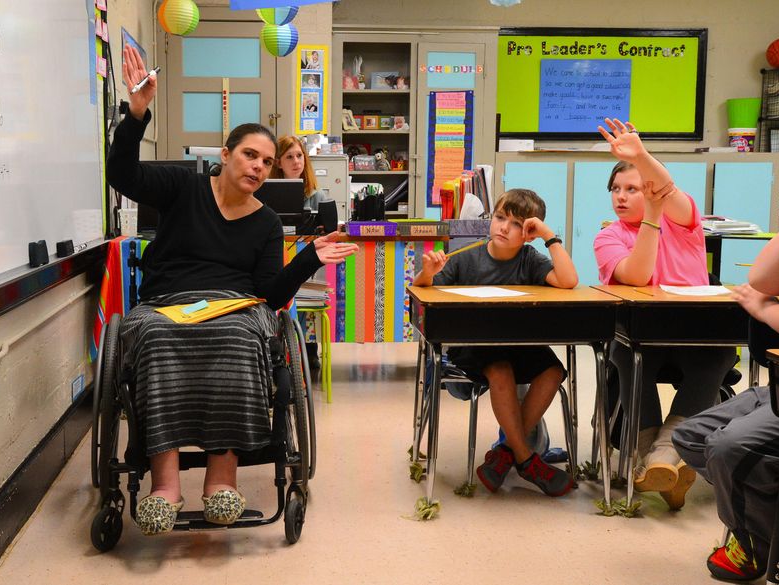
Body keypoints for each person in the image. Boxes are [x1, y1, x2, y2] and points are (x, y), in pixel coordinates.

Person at [108, 45, 358, 535]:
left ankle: (221, 482)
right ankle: (165, 486)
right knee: (155, 337)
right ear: (224, 155)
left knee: (243, 338)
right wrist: (137, 113)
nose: (260, 167)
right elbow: (122, 174)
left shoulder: (266, 222)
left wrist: (307, 258)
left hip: (237, 310)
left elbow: (271, 295)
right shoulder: (182, 189)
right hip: (167, 306)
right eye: (250, 155)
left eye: (267, 161)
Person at [593, 117, 737, 510]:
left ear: (652, 189)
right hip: (643, 334)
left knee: (718, 356)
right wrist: (649, 218)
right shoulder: (608, 236)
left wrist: (640, 155)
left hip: (696, 334)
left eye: (633, 189)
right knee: (629, 356)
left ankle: (657, 459)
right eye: (616, 189)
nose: (621, 197)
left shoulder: (684, 220)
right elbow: (637, 274)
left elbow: (668, 188)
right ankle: (663, 463)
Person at [414, 188, 579, 497]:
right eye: (501, 218)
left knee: (553, 371)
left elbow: (569, 280)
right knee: (500, 370)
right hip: (473, 349)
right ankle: (527, 460)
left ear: (529, 233)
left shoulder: (530, 259)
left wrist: (549, 236)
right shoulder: (466, 256)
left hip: (518, 345)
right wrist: (428, 272)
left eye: (517, 224)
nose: (504, 227)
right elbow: (422, 290)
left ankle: (506, 452)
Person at [673, 219, 779, 582]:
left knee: (728, 448)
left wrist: (765, 311)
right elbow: (763, 280)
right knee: (691, 436)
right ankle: (776, 528)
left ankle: (760, 545)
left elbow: (763, 298)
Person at [271, 135, 329, 372]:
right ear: (278, 162)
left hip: (307, 261)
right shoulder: (266, 192)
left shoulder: (317, 195)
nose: (296, 162)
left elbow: (327, 229)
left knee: (309, 292)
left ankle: (309, 348)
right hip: (277, 257)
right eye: (289, 157)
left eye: (299, 156)